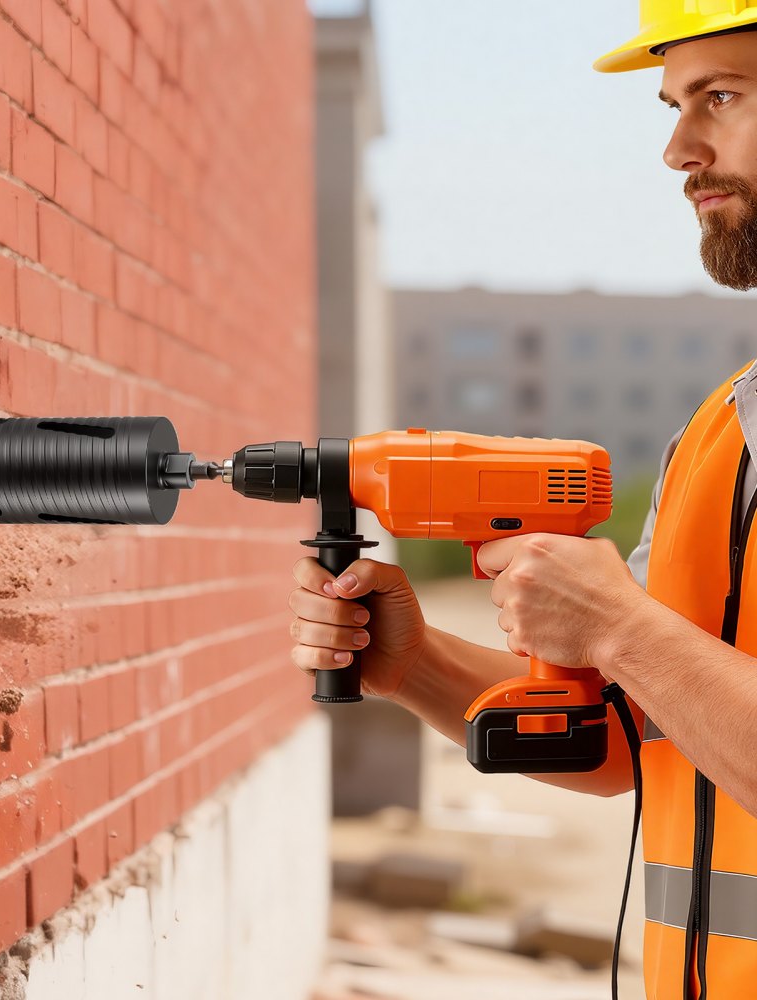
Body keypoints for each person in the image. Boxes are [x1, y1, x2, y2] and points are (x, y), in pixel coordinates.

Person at [288, 6, 757, 999]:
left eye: (723, 96)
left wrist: (620, 628)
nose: (677, 148)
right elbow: (636, 736)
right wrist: (414, 664)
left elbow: (635, 653)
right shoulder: (720, 426)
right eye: (676, 105)